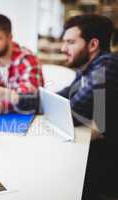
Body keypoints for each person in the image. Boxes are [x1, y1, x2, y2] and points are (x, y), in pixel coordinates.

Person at [58, 14, 118, 200]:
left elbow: (72, 112)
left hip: (106, 172)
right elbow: (61, 97)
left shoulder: (107, 64)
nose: (63, 48)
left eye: (70, 42)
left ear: (92, 45)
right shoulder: (88, 68)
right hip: (96, 154)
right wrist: (18, 98)